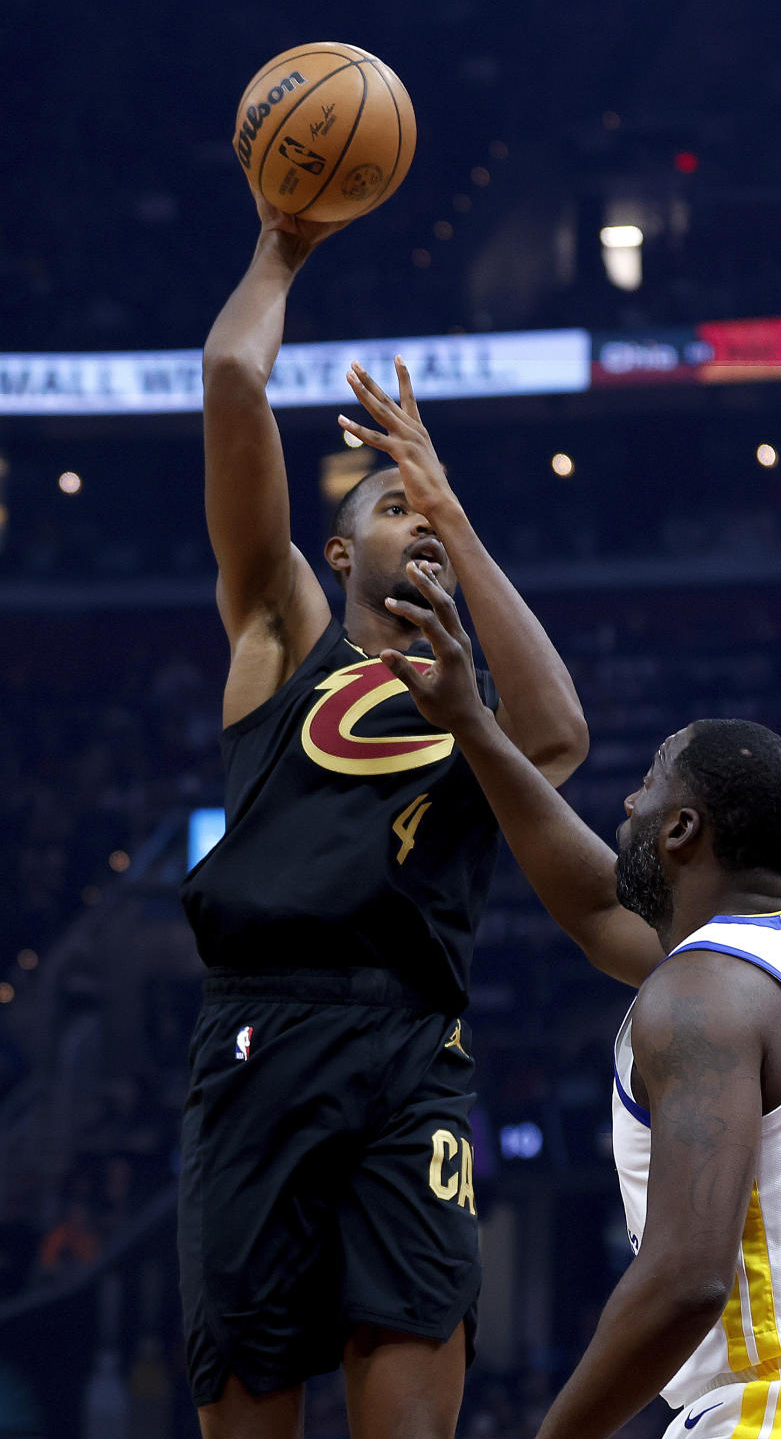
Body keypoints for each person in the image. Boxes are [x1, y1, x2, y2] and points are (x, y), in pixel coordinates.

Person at [177, 198, 589, 1439]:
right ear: (336, 559)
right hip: (263, 1029)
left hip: (416, 1047)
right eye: (394, 512)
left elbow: (561, 740)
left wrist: (452, 507)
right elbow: (230, 379)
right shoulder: (280, 635)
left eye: (437, 525)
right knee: (250, 1387)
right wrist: (280, 249)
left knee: (413, 1366)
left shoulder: (470, 712)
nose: (423, 530)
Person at [376, 560, 781, 1439]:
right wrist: (473, 726)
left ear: (683, 831)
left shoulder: (702, 994)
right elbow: (596, 904)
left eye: (652, 783)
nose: (631, 802)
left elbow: (685, 1276)